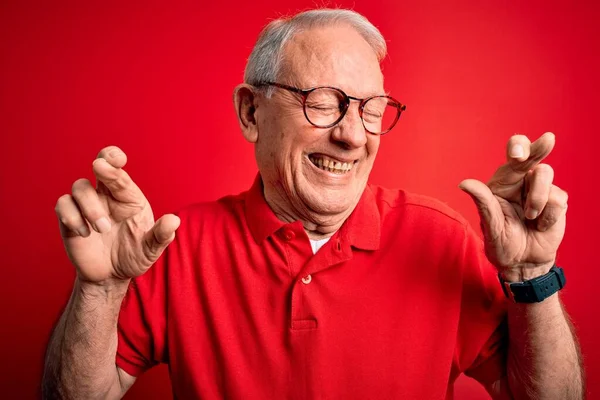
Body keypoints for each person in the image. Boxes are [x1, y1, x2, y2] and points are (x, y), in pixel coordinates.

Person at [42, 8, 583, 400]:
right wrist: (101, 288)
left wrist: (531, 273)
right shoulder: (174, 247)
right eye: (323, 103)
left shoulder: (440, 239)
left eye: (372, 109)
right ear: (251, 113)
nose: (353, 136)